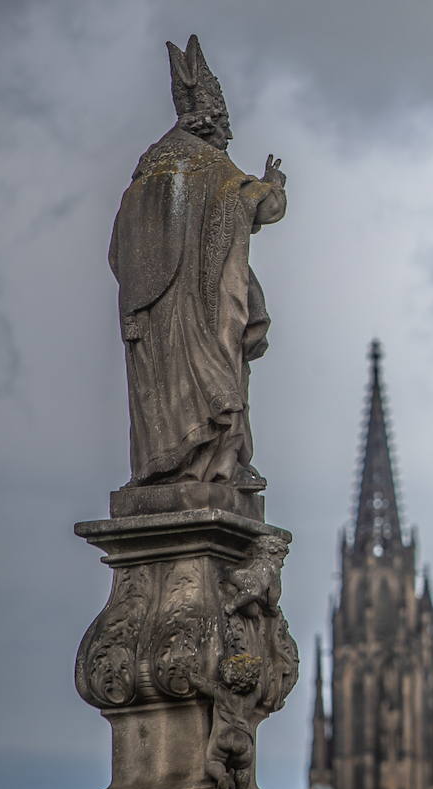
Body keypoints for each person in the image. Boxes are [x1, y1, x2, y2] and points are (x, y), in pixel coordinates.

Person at [109, 35, 287, 489]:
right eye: (226, 128)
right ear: (212, 124)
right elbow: (261, 207)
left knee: (164, 393)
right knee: (214, 382)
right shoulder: (210, 166)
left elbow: (118, 252)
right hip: (199, 311)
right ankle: (215, 461)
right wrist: (273, 184)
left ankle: (166, 465)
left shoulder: (147, 172)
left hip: (152, 316)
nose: (229, 137)